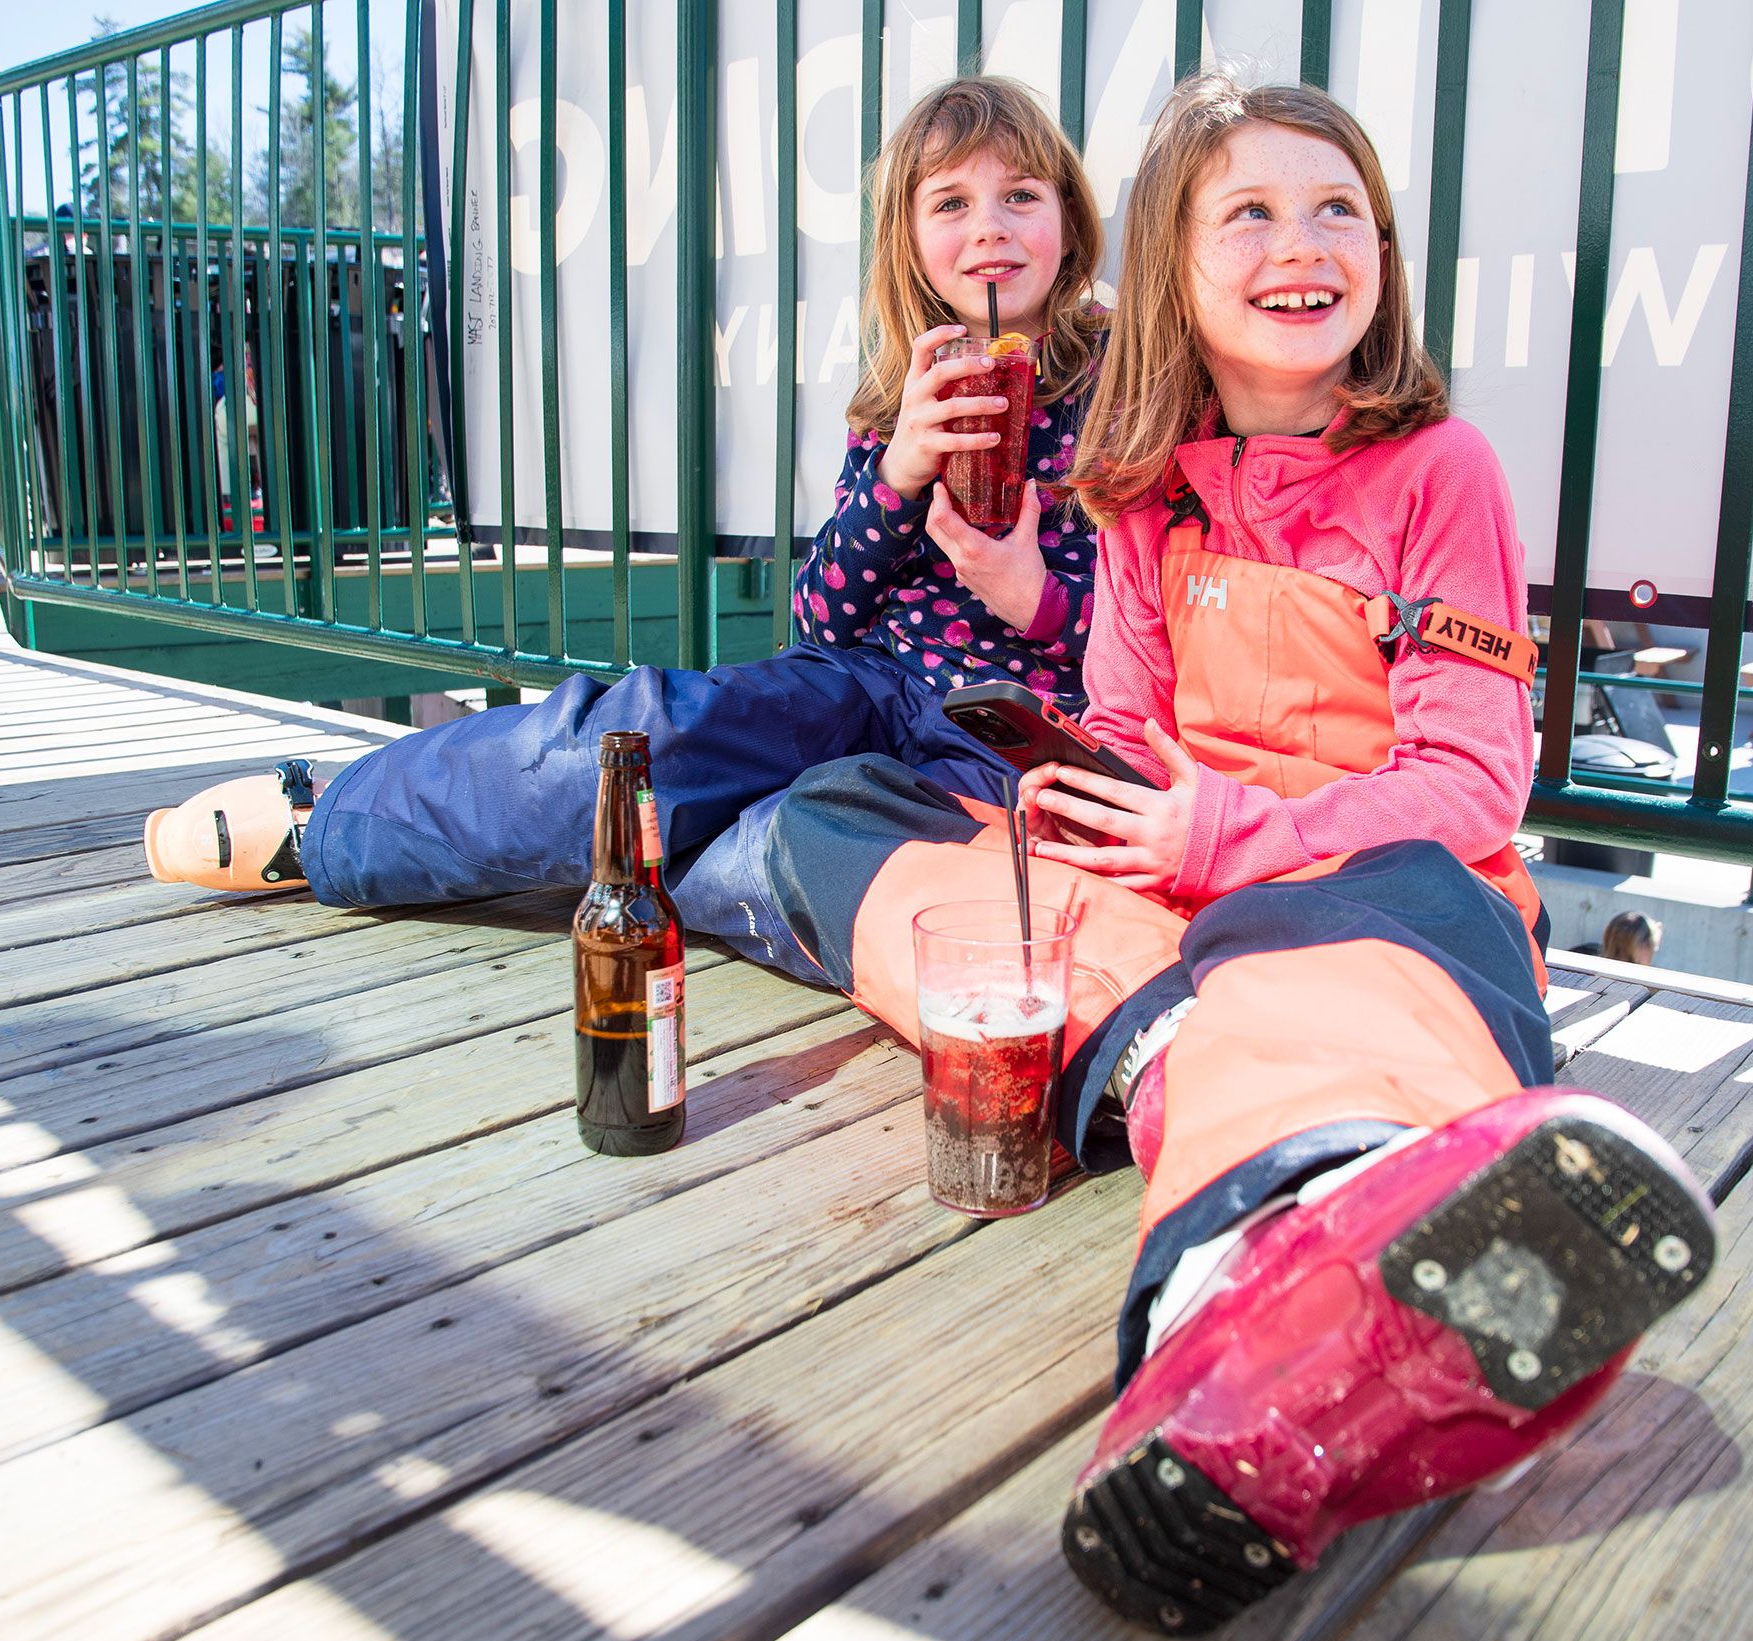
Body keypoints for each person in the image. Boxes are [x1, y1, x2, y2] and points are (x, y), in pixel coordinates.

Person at [749, 76, 1718, 1633]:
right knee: (860, 816)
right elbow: (1127, 724)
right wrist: (1082, 790)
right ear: (1174, 265)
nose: (1304, 240)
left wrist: (1217, 829)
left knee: (1310, 958)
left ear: (1383, 255)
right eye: (1250, 212)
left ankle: (1277, 1251)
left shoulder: (1439, 469)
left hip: (1385, 888)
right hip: (1189, 890)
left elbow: (1472, 781)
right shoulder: (1140, 488)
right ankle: (1288, 1243)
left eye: (1340, 207)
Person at [143, 77, 1110, 981]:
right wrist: (897, 470)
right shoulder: (901, 392)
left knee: (798, 850)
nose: (989, 229)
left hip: (1012, 730)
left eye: (1021, 194)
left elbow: (1151, 634)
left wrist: (1033, 596)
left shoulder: (1124, 387)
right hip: (867, 685)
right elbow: (822, 620)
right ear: (909, 238)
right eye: (950, 203)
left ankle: (650, 870)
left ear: (1069, 217)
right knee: (645, 736)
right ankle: (334, 820)